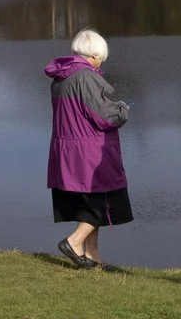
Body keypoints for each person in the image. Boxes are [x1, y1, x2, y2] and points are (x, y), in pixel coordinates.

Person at [46, 28, 132, 268]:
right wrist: (121, 110)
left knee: (89, 203)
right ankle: (74, 242)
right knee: (101, 205)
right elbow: (104, 116)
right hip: (90, 154)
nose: (101, 62)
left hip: (67, 152)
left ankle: (92, 256)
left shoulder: (61, 77)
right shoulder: (87, 77)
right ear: (94, 54)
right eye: (100, 57)